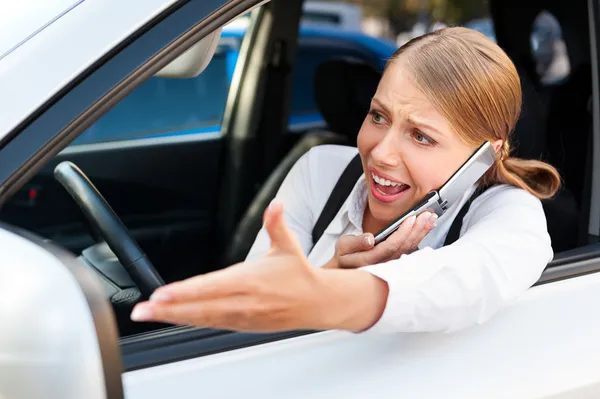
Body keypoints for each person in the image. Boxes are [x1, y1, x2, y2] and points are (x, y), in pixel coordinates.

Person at [130, 27, 560, 334]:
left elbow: (472, 279)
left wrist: (337, 291)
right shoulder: (322, 171)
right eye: (378, 116)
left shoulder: (508, 212)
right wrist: (332, 271)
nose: (380, 151)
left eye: (421, 136)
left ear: (487, 152)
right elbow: (251, 325)